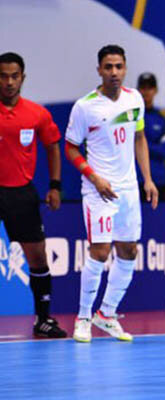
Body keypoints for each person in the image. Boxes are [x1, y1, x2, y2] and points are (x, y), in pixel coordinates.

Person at [65, 45, 159, 343]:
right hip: (98, 190)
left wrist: (147, 179)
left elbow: (140, 138)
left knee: (129, 251)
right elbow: (70, 148)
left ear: (125, 68)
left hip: (129, 189)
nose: (114, 72)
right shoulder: (85, 106)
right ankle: (83, 318)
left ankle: (106, 314)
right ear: (99, 70)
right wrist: (94, 178)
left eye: (119, 66)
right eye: (108, 67)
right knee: (100, 251)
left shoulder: (135, 99)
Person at [0, 52, 67, 338]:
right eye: (3, 76)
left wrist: (55, 186)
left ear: (23, 78)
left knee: (38, 257)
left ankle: (43, 319)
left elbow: (53, 147)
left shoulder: (37, 113)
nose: (9, 82)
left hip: (22, 195)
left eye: (14, 76)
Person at [136, 72, 165, 199]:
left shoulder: (161, 119)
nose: (146, 92)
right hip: (134, 180)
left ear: (155, 90)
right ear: (138, 90)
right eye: (143, 88)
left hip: (157, 179)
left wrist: (140, 145)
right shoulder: (131, 117)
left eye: (150, 88)